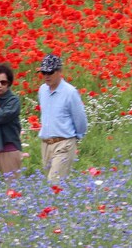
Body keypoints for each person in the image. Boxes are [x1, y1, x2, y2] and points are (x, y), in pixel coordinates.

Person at [37, 55, 88, 184]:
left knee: (54, 183)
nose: (46, 75)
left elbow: (80, 119)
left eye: (50, 72)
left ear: (59, 72)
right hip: (46, 144)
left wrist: (75, 138)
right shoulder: (42, 90)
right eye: (44, 72)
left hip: (64, 143)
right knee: (54, 185)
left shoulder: (70, 92)